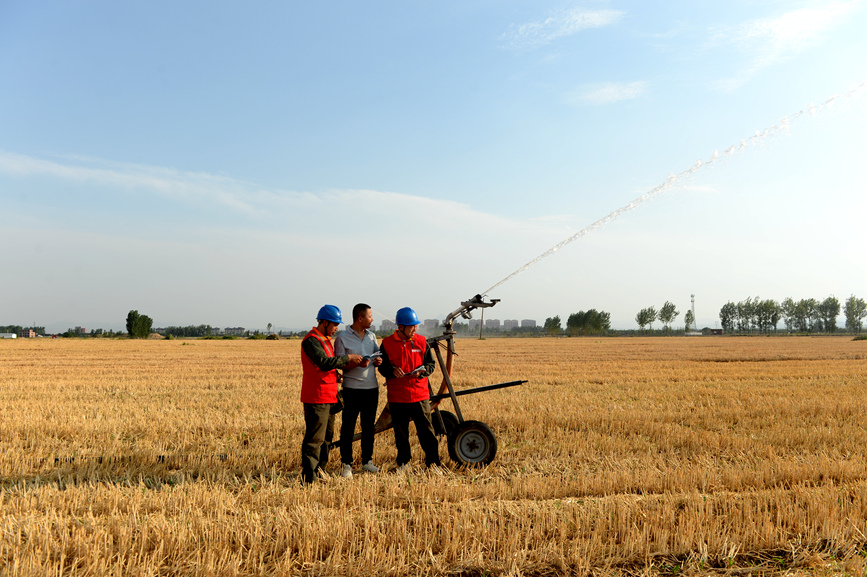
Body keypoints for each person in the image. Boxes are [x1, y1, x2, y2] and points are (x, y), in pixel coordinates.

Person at [300, 304, 363, 485]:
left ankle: (321, 471)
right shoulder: (311, 340)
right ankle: (309, 478)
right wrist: (348, 358)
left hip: (329, 396)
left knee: (327, 439)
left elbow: (327, 367)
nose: (337, 328)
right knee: (315, 439)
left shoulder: (325, 339)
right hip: (316, 397)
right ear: (325, 322)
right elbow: (324, 362)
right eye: (335, 324)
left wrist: (336, 375)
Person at [377, 306, 441, 471]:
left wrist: (422, 372)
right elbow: (381, 367)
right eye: (411, 326)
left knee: (427, 432)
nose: (415, 328)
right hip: (397, 397)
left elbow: (431, 365)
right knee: (401, 434)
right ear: (400, 327)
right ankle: (404, 463)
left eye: (415, 325)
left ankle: (433, 463)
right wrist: (391, 370)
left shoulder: (421, 341)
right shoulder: (387, 344)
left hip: (419, 395)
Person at [334, 303, 383, 478]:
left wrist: (378, 361)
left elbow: (378, 355)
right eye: (370, 316)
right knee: (348, 427)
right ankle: (346, 464)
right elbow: (339, 364)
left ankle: (367, 461)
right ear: (360, 318)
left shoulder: (372, 336)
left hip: (371, 388)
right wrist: (356, 363)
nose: (372, 319)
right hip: (351, 389)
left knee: (368, 427)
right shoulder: (342, 338)